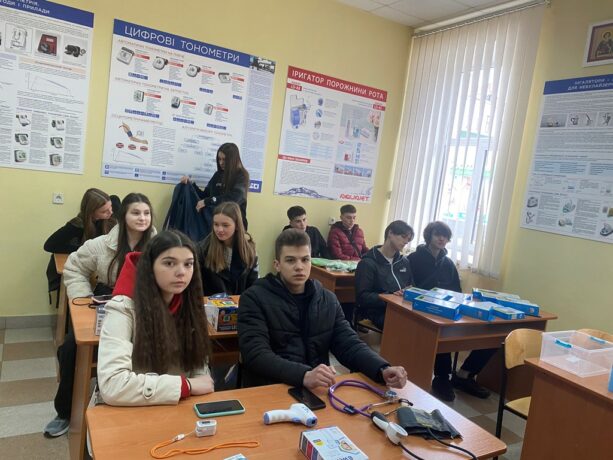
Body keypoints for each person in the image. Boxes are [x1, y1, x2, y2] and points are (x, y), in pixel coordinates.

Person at [237, 229, 407, 390]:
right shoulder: (254, 298)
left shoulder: (327, 299)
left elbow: (348, 343)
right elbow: (256, 354)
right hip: (272, 388)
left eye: (305, 260)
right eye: (290, 260)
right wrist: (304, 375)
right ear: (277, 264)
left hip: (316, 388)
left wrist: (381, 368)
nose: (299, 266)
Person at [44, 193, 155, 438]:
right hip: (107, 298)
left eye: (146, 213)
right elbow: (74, 267)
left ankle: (140, 405)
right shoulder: (103, 243)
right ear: (123, 216)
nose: (142, 218)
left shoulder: (160, 245)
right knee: (72, 347)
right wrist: (83, 300)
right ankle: (65, 412)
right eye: (136, 213)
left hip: (144, 304)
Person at [98, 230, 214, 406]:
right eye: (169, 263)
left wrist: (196, 389)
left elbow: (200, 372)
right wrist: (186, 386)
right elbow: (112, 385)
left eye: (188, 264)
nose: (181, 272)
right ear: (150, 267)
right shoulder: (123, 308)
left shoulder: (190, 304)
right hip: (130, 409)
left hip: (180, 405)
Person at [408, 221, 495, 402]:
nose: (442, 239)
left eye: (445, 236)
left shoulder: (448, 263)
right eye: (437, 235)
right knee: (443, 333)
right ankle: (442, 378)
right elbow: (408, 287)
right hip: (421, 310)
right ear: (429, 236)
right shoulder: (413, 259)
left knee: (491, 335)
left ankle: (465, 374)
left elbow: (457, 291)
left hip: (447, 309)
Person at [43, 188, 117, 302]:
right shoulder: (77, 225)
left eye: (110, 207)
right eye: (104, 211)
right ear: (92, 212)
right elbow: (49, 245)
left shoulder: (111, 222)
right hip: (83, 269)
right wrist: (81, 248)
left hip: (100, 271)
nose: (110, 212)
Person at [355, 221, 414, 330]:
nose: (406, 242)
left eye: (408, 239)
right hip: (378, 311)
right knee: (409, 326)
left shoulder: (404, 261)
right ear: (390, 233)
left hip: (402, 309)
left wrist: (408, 291)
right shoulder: (367, 263)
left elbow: (411, 286)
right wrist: (390, 297)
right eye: (403, 237)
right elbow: (362, 297)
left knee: (424, 323)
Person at [180, 142, 249, 229]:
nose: (221, 163)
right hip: (216, 224)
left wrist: (208, 201)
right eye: (219, 159)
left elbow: (233, 199)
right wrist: (191, 185)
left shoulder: (241, 175)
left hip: (235, 226)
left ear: (232, 160)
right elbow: (204, 196)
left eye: (225, 160)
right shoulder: (217, 175)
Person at [197, 202, 258, 296]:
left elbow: (253, 285)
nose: (219, 230)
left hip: (240, 303)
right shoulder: (203, 249)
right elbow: (197, 284)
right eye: (216, 224)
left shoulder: (249, 250)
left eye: (225, 225)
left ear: (237, 225)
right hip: (210, 303)